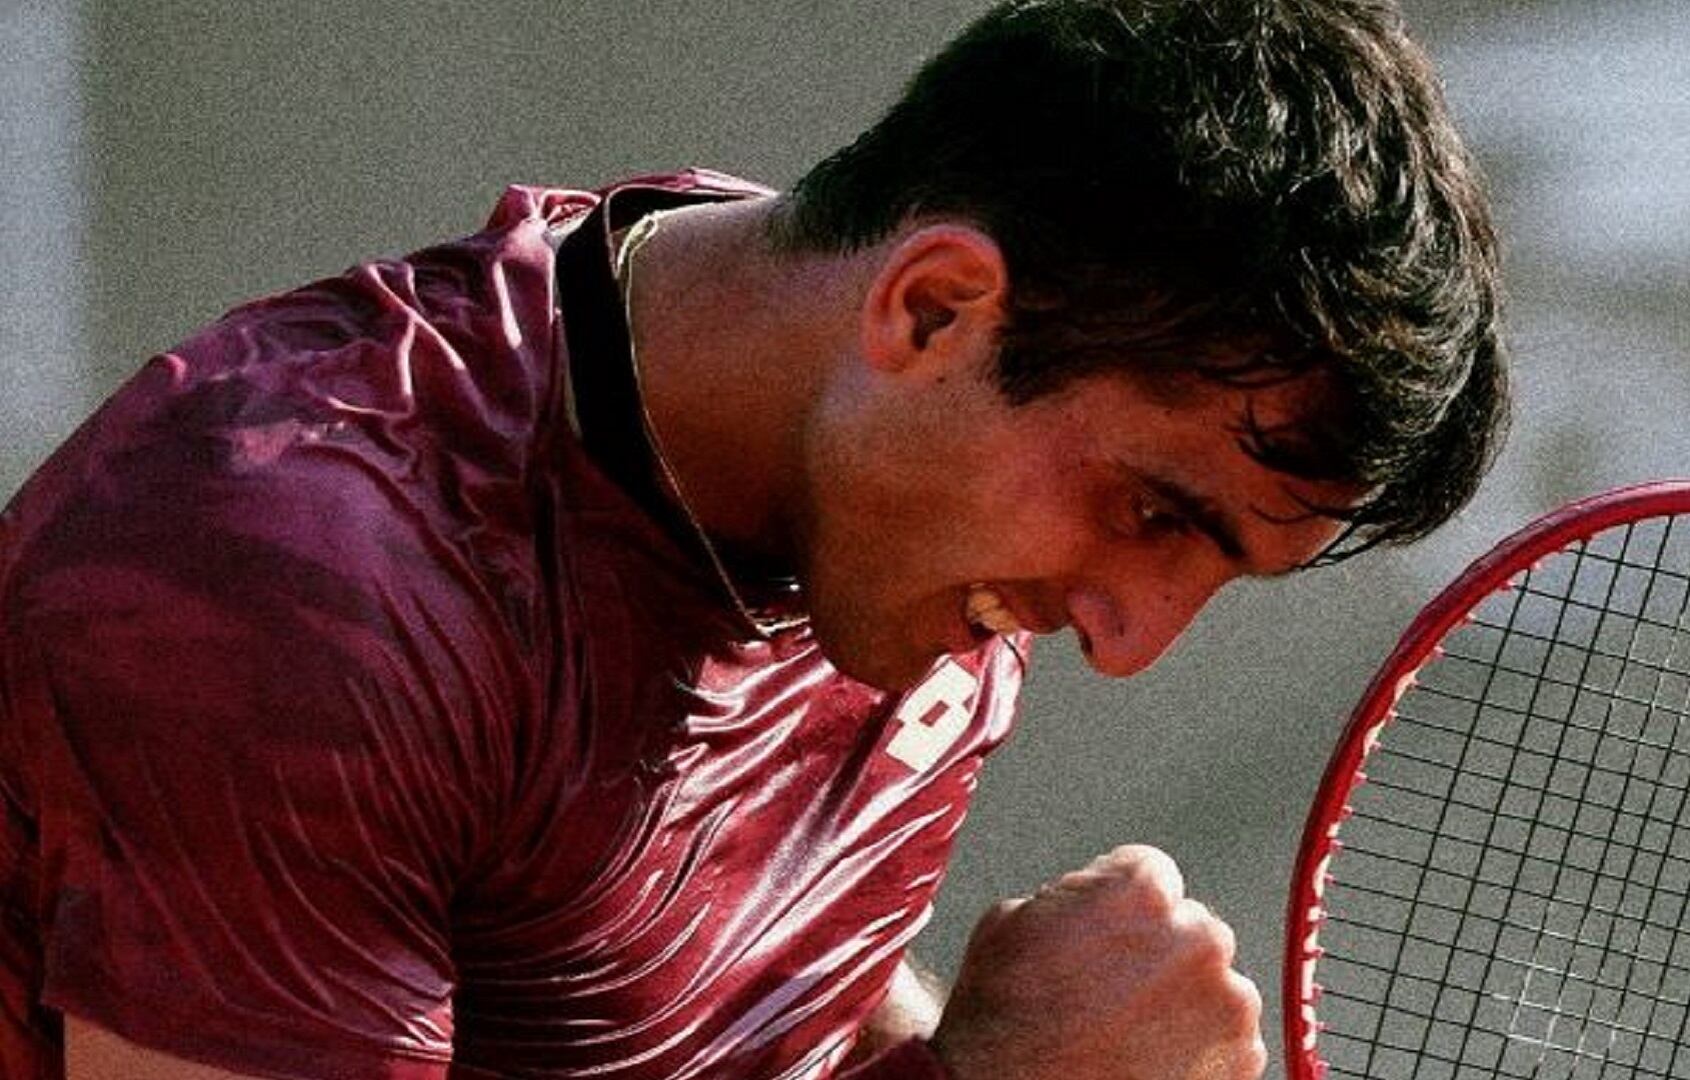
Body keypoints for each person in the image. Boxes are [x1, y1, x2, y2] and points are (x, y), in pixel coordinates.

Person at [0, 0, 1507, 1077]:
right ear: (933, 309)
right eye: (1154, 513)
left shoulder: (885, 510)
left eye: (1214, 573)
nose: (1127, 639)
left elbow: (730, 1016)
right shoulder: (305, 594)